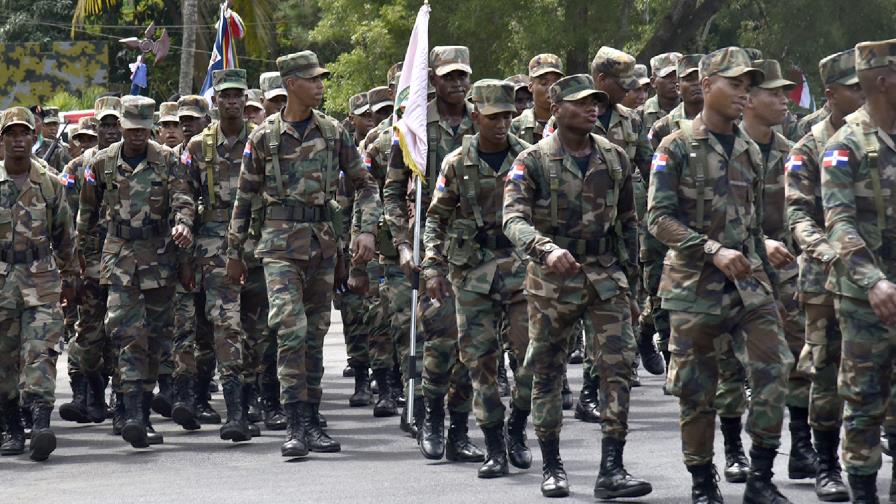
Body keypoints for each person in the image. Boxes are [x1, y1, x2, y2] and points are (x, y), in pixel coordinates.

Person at [647, 47, 793, 503]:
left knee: (775, 367)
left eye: (748, 85)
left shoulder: (751, 149)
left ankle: (762, 476)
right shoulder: (675, 146)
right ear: (707, 85)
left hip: (749, 286)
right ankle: (701, 480)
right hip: (693, 288)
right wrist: (711, 250)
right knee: (697, 392)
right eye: (735, 84)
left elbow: (750, 225)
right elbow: (658, 217)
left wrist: (768, 267)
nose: (743, 94)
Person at [227, 50, 381, 458]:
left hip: (322, 243)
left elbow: (366, 185)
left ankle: (311, 421)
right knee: (290, 329)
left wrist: (365, 231)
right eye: (313, 79)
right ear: (291, 83)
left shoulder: (334, 133)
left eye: (321, 79)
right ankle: (294, 424)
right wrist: (235, 252)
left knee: (313, 335)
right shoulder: (263, 137)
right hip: (278, 247)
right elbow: (244, 199)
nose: (320, 85)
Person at [503, 74, 651, 499]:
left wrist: (635, 290)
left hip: (606, 276)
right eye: (583, 102)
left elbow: (629, 225)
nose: (593, 108)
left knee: (617, 367)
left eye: (597, 102)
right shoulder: (532, 160)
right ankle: (551, 463)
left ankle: (612, 468)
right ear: (556, 107)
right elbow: (512, 218)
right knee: (545, 370)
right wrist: (543, 248)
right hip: (553, 279)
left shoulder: (614, 157)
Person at [423, 79, 533, 479]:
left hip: (521, 269)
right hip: (471, 274)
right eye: (492, 117)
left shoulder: (528, 158)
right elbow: (435, 219)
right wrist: (432, 265)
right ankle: (492, 445)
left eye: (507, 115)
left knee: (530, 358)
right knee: (480, 361)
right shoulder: (456, 163)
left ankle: (517, 428)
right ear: (475, 117)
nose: (501, 123)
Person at [384, 45, 485, 464]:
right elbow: (391, 191)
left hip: (481, 249)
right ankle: (431, 419)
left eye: (463, 76)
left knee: (474, 345)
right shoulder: (412, 126)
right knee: (442, 342)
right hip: (435, 246)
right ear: (432, 78)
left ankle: (460, 429)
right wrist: (404, 244)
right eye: (448, 76)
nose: (458, 84)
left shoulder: (485, 117)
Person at [77, 95, 195, 449]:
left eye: (144, 129)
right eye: (131, 129)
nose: (137, 135)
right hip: (120, 258)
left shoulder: (168, 160)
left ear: (152, 128)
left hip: (159, 257)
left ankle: (142, 410)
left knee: (156, 338)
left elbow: (183, 200)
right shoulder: (102, 163)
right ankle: (130, 414)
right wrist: (86, 261)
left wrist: (184, 225)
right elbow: (87, 215)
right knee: (126, 334)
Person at [820, 38, 896, 502]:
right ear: (884, 82)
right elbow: (839, 222)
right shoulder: (846, 144)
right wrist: (875, 280)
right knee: (865, 402)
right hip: (865, 297)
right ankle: (864, 492)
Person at [786, 47, 863, 503]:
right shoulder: (808, 147)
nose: (864, 95)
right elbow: (797, 215)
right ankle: (827, 464)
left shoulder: (877, 139)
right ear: (830, 94)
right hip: (825, 278)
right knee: (826, 372)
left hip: (876, 278)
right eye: (855, 88)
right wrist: (828, 251)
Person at [743, 58, 819, 484]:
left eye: (784, 91)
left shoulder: (793, 152)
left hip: (786, 271)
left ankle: (801, 445)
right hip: (736, 270)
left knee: (797, 358)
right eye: (773, 92)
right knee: (739, 371)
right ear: (749, 99)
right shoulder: (726, 148)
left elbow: (805, 211)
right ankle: (737, 449)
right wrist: (759, 242)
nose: (783, 99)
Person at [182, 68, 260, 442]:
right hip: (215, 248)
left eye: (237, 95)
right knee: (226, 326)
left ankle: (261, 400)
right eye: (225, 95)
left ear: (246, 100)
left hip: (259, 245)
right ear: (215, 101)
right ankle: (235, 412)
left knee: (259, 329)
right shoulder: (198, 147)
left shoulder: (261, 141)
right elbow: (183, 195)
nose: (231, 101)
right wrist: (183, 226)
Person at [0, 107, 77, 462]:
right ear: (1, 141)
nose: (18, 140)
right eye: (11, 134)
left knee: (42, 351)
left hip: (41, 278)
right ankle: (11, 427)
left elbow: (65, 236)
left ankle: (41, 423)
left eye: (24, 134)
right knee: (5, 359)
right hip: (2, 281)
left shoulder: (49, 183)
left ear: (34, 137)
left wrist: (71, 278)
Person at [58, 97, 122, 427]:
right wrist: (72, 263)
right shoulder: (76, 169)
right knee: (87, 331)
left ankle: (116, 399)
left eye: (115, 124)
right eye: (104, 125)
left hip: (125, 260)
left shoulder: (131, 161)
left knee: (120, 331)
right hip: (89, 260)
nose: (109, 131)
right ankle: (86, 393)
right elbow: (66, 219)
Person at [510, 54, 564, 144]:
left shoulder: (573, 123)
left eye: (556, 82)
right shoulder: (515, 128)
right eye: (544, 83)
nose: (551, 88)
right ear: (531, 87)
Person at [641, 52, 683, 132]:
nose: (675, 80)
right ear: (653, 82)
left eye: (678, 75)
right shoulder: (640, 115)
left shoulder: (695, 110)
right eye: (668, 76)